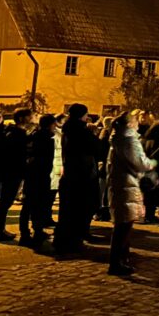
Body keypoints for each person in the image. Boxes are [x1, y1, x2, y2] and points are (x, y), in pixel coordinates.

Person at [106, 111, 156, 276]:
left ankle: (121, 260)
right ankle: (117, 263)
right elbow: (139, 162)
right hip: (126, 184)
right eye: (135, 120)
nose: (137, 123)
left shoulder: (119, 138)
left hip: (122, 183)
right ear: (129, 124)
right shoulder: (128, 140)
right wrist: (151, 163)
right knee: (123, 226)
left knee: (123, 224)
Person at [55, 103, 103, 254]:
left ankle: (65, 239)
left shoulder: (68, 129)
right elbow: (97, 148)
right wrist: (97, 136)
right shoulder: (81, 131)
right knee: (79, 209)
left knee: (68, 210)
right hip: (82, 175)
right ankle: (72, 240)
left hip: (72, 173)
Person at [0, 108, 32, 241]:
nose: (31, 119)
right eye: (29, 116)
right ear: (21, 118)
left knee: (5, 202)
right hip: (12, 172)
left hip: (10, 171)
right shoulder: (17, 134)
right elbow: (18, 154)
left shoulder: (12, 132)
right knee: (5, 202)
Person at [20, 114, 56, 246]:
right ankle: (32, 232)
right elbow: (46, 159)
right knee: (36, 204)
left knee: (30, 204)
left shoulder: (33, 135)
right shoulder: (46, 138)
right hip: (40, 175)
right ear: (50, 124)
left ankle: (30, 231)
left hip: (32, 174)